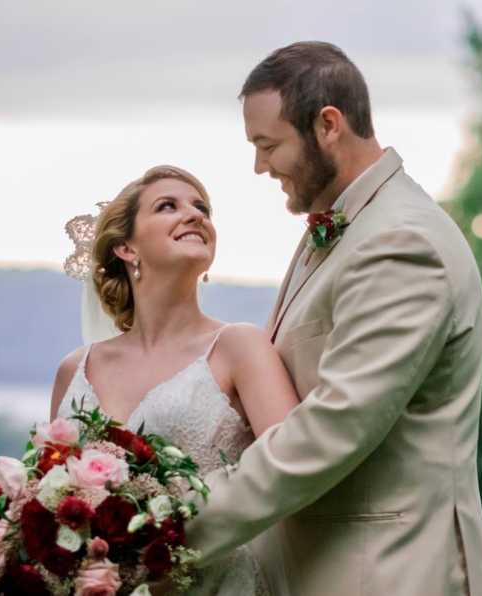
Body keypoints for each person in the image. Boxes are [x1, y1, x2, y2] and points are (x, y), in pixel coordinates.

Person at [183, 41, 482, 596]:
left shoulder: (403, 242)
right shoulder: (339, 228)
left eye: (267, 145)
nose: (259, 167)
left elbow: (332, 427)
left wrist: (174, 527)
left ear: (328, 124)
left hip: (391, 574)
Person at [53, 164, 299, 595]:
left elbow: (296, 471)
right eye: (168, 206)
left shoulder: (239, 348)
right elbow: (58, 508)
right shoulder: (75, 371)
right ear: (127, 248)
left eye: (202, 208)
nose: (195, 215)